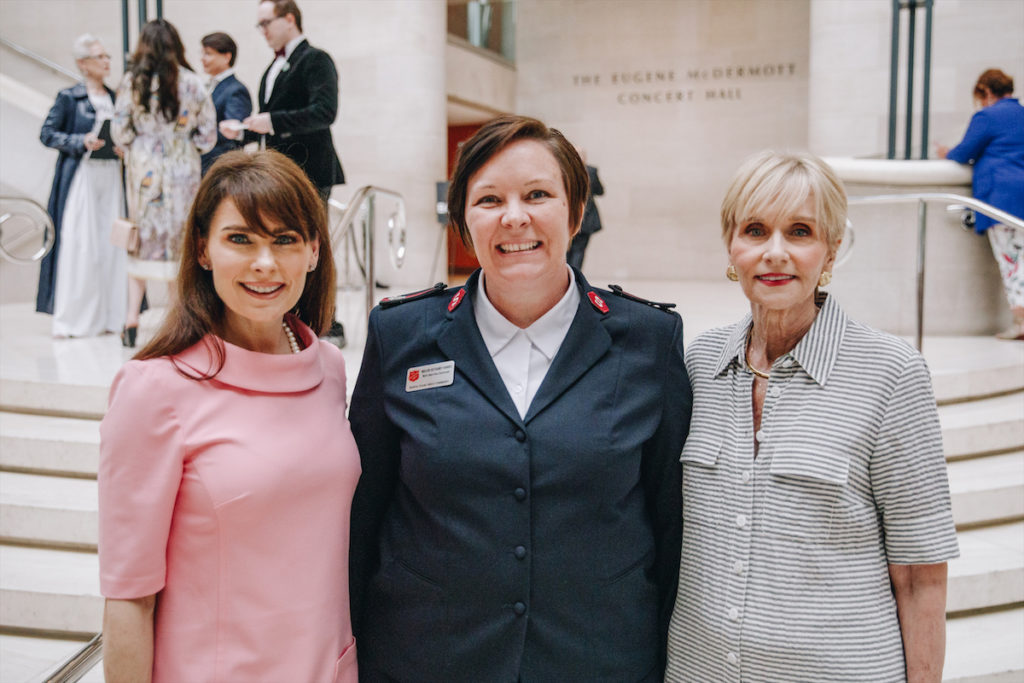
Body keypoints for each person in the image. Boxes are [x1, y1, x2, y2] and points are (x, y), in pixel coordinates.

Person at [348, 115, 692, 682]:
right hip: (429, 659)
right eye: (489, 200)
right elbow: (365, 515)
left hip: (596, 659)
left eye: (537, 195)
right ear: (463, 221)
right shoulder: (400, 336)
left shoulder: (649, 342)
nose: (515, 217)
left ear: (576, 213)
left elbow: (668, 521)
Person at [665, 151, 959, 682]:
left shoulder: (892, 374)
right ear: (732, 246)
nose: (775, 253)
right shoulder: (699, 362)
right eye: (756, 230)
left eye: (799, 232)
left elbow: (921, 576)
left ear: (830, 251)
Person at [98, 150, 359, 683]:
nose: (265, 262)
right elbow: (130, 597)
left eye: (285, 239)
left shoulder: (328, 368)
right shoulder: (154, 390)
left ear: (313, 251)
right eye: (240, 238)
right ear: (203, 249)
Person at [223, 0, 347, 343]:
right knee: (283, 246)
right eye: (259, 25)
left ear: (289, 19)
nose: (262, 31)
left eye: (266, 23)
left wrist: (272, 121)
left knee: (312, 249)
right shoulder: (272, 68)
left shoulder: (316, 59)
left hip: (310, 172)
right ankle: (291, 316)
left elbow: (325, 111)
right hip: (279, 174)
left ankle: (325, 321)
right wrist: (244, 131)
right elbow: (269, 122)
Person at [112, 19, 216, 348]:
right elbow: (209, 135)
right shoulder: (193, 83)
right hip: (183, 166)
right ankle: (176, 319)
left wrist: (140, 142)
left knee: (140, 239)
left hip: (144, 168)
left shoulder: (131, 82)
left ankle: (131, 320)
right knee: (180, 240)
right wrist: (185, 142)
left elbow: (120, 132)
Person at [37, 34, 126, 338]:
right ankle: (76, 319)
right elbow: (48, 134)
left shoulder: (115, 98)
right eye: (100, 57)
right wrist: (81, 141)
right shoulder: (68, 97)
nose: (107, 62)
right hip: (81, 178)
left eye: (107, 56)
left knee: (111, 244)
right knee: (80, 244)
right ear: (83, 64)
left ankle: (113, 315)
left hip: (111, 174)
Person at [938, 68, 1024, 340]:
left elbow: (963, 153)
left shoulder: (987, 115)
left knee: (1011, 260)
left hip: (1001, 199)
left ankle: (1022, 322)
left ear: (986, 91)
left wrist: (945, 152)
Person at [198, 32, 252, 176]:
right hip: (203, 165)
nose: (202, 59)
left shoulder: (236, 90)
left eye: (208, 54)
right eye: (202, 53)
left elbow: (232, 134)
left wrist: (196, 133)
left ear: (226, 57)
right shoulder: (208, 86)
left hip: (219, 167)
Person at [566, 148, 604, 270]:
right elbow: (600, 191)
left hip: (575, 219)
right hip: (585, 220)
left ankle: (571, 275)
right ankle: (574, 276)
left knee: (570, 250)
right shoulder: (591, 171)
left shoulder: (566, 172)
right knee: (578, 251)